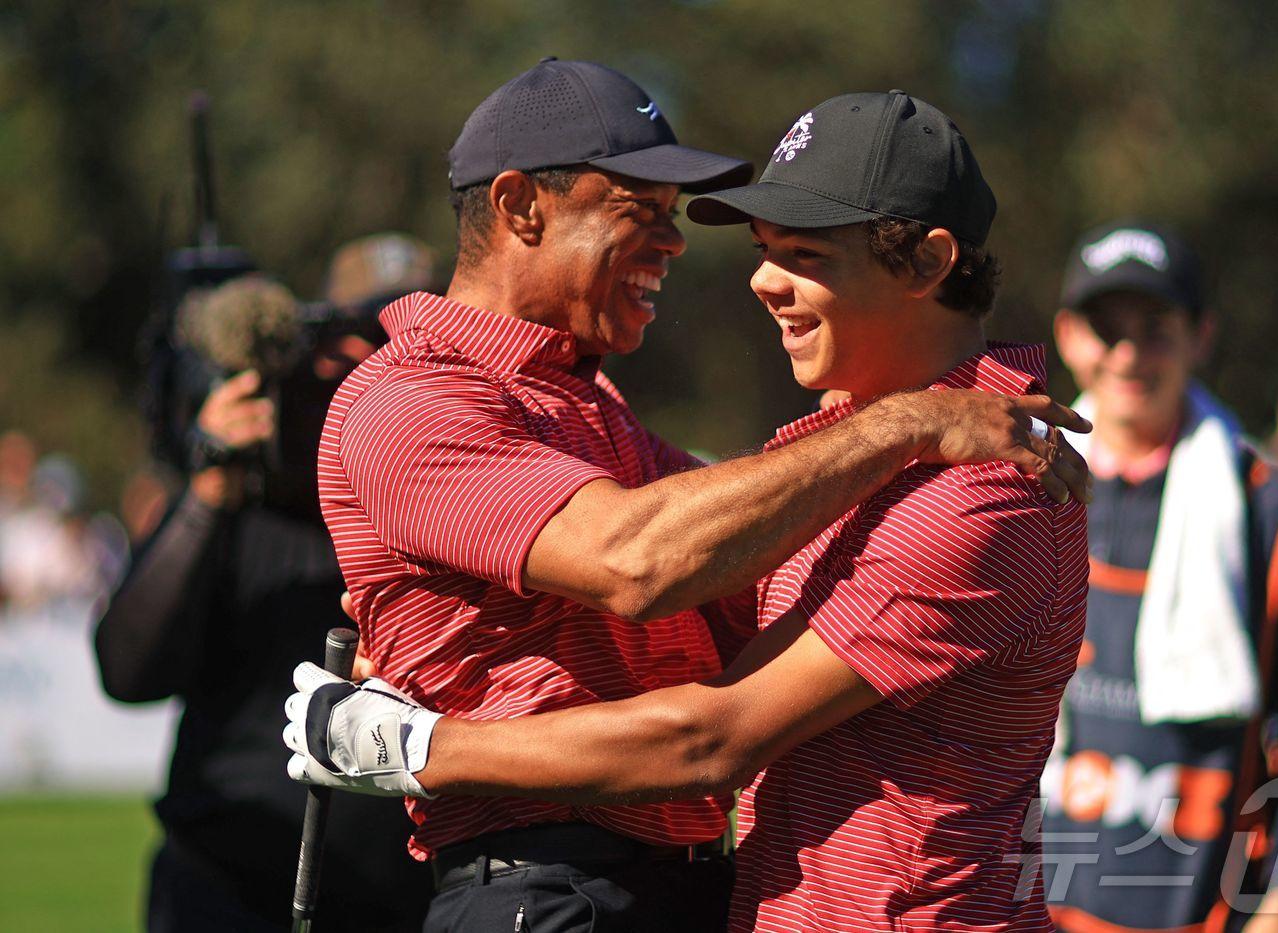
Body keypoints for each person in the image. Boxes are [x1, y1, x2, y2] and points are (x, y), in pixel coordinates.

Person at [288, 88, 1090, 932]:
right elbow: (655, 559)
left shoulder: (982, 480)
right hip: (552, 887)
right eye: (643, 208)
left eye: (805, 253)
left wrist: (416, 745)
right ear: (518, 204)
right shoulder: (420, 398)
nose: (758, 278)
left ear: (929, 263)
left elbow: (708, 728)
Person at [94, 273, 434, 932]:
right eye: (328, 368)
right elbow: (128, 672)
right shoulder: (237, 509)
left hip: (395, 898)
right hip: (222, 890)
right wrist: (213, 479)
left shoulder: (437, 517)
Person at [1036, 222, 1278, 931]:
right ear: (1067, 335)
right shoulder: (1014, 490)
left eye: (1155, 328)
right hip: (1027, 906)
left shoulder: (1274, 514)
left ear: (1201, 335)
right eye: (1104, 327)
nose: (1127, 353)